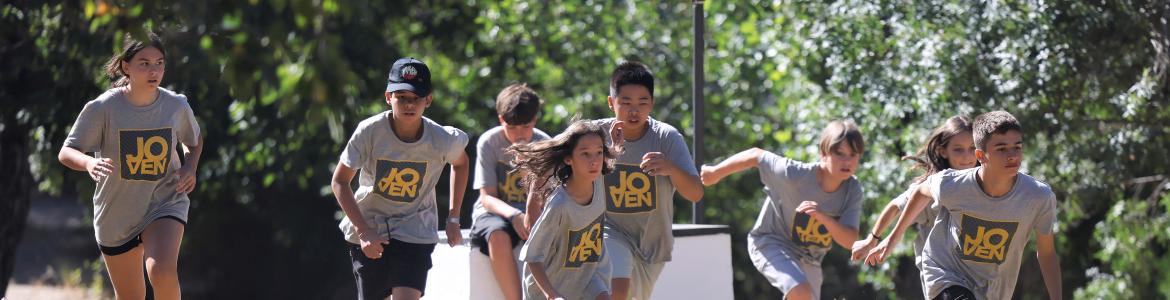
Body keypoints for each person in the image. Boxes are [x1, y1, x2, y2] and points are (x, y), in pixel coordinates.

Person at [58, 31, 202, 300]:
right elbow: (67, 151)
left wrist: (189, 166)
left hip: (164, 201)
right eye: (144, 63)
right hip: (117, 213)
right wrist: (90, 162)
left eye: (159, 63)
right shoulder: (104, 108)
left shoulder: (175, 105)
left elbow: (193, 141)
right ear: (126, 66)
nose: (154, 70)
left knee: (162, 272)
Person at [865, 111, 1062, 300]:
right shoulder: (954, 185)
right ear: (981, 155)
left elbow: (1046, 253)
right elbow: (919, 192)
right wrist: (891, 239)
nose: (1012, 155)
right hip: (946, 276)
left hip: (994, 289)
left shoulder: (1038, 197)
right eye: (1001, 149)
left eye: (1017, 147)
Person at [330, 57, 470, 300]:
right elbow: (340, 181)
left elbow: (461, 163)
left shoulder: (441, 139)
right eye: (401, 97)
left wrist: (453, 217)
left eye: (415, 98)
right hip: (371, 224)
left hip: (415, 227)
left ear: (428, 100)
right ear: (388, 97)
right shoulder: (369, 131)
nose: (409, 104)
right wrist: (364, 232)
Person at [700, 120, 865, 300]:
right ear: (823, 153)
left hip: (810, 259)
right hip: (770, 243)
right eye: (840, 153)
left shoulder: (852, 190)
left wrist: (823, 217)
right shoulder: (794, 175)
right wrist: (714, 173)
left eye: (853, 154)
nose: (847, 161)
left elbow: (850, 241)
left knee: (805, 295)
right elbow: (756, 155)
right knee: (801, 292)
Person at [593, 61, 703, 300]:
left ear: (651, 104)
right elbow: (556, 157)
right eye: (626, 103)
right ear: (611, 103)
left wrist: (670, 168)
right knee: (617, 291)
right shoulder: (595, 134)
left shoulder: (667, 138)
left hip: (652, 244)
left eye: (642, 103)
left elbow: (696, 193)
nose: (634, 111)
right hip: (609, 229)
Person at [514, 120, 619, 300]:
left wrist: (617, 145)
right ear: (568, 158)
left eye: (599, 152)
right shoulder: (559, 205)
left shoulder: (599, 179)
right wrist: (552, 296)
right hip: (552, 285)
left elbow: (611, 155)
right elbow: (533, 257)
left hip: (590, 277)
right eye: (585, 154)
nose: (594, 161)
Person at [469, 83, 551, 300]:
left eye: (524, 127)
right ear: (500, 119)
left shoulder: (544, 144)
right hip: (495, 212)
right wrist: (514, 216)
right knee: (497, 235)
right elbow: (486, 197)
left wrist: (526, 166)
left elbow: (547, 198)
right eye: (511, 127)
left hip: (533, 211)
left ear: (534, 119)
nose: (518, 134)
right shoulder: (490, 141)